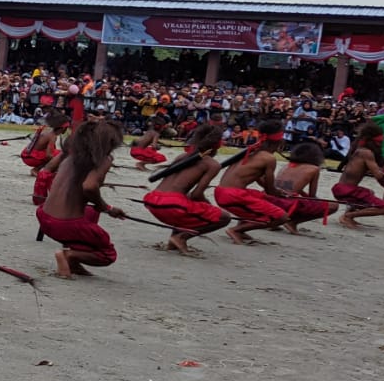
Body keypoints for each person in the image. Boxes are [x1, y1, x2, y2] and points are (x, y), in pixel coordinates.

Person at [37, 119, 127, 279]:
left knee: (91, 213)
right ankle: (69, 255)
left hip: (44, 217)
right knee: (107, 254)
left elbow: (47, 170)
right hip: (65, 225)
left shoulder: (68, 154)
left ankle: (73, 262)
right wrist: (107, 208)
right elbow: (89, 187)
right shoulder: (104, 160)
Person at [141, 124, 231, 254]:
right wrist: (210, 207)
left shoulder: (182, 157)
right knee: (224, 218)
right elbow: (197, 195)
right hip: (171, 205)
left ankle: (173, 242)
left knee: (186, 204)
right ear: (217, 145)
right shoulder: (212, 164)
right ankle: (181, 237)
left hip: (152, 200)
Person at [213, 120, 292, 245]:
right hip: (233, 195)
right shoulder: (269, 158)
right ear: (280, 141)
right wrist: (280, 194)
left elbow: (256, 177)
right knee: (282, 217)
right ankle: (236, 230)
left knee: (261, 197)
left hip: (220, 192)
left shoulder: (251, 150)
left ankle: (241, 228)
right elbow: (270, 190)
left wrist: (275, 192)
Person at [331, 121, 384, 229]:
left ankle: (349, 215)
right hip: (347, 190)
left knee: (370, 192)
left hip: (340, 188)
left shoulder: (359, 149)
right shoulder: (367, 153)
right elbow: (378, 176)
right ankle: (348, 216)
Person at [272, 140, 335, 233]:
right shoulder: (314, 169)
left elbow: (290, 187)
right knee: (333, 206)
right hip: (286, 203)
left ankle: (274, 221)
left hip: (272, 199)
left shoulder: (287, 165)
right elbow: (312, 196)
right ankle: (293, 222)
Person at [20, 111, 67, 177]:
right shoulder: (52, 136)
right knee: (60, 155)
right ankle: (37, 170)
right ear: (63, 128)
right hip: (31, 158)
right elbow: (48, 155)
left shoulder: (46, 130)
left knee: (58, 153)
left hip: (26, 154)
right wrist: (55, 163)